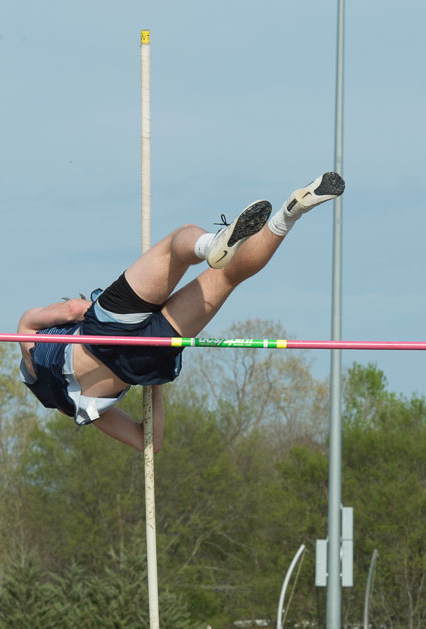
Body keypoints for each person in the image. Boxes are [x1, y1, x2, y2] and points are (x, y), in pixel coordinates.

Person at [18, 172, 345, 451]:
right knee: (178, 243)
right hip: (107, 330)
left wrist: (152, 382)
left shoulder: (78, 408)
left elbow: (150, 440)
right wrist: (92, 308)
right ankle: (212, 243)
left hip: (145, 358)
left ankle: (289, 215)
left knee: (229, 276)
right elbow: (75, 308)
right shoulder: (26, 332)